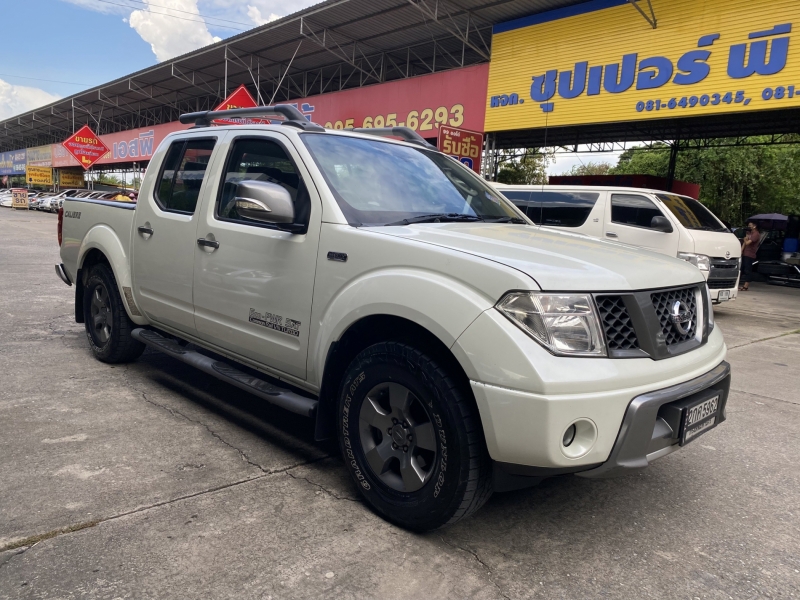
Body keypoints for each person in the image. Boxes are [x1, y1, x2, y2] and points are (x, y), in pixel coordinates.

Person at [739, 221, 760, 291]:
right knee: (741, 269)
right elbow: (744, 244)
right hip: (745, 253)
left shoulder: (756, 234)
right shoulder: (750, 233)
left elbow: (747, 242)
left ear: (754, 226)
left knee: (747, 270)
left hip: (750, 254)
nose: (749, 226)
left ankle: (746, 286)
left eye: (750, 225)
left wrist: (745, 239)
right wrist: (741, 250)